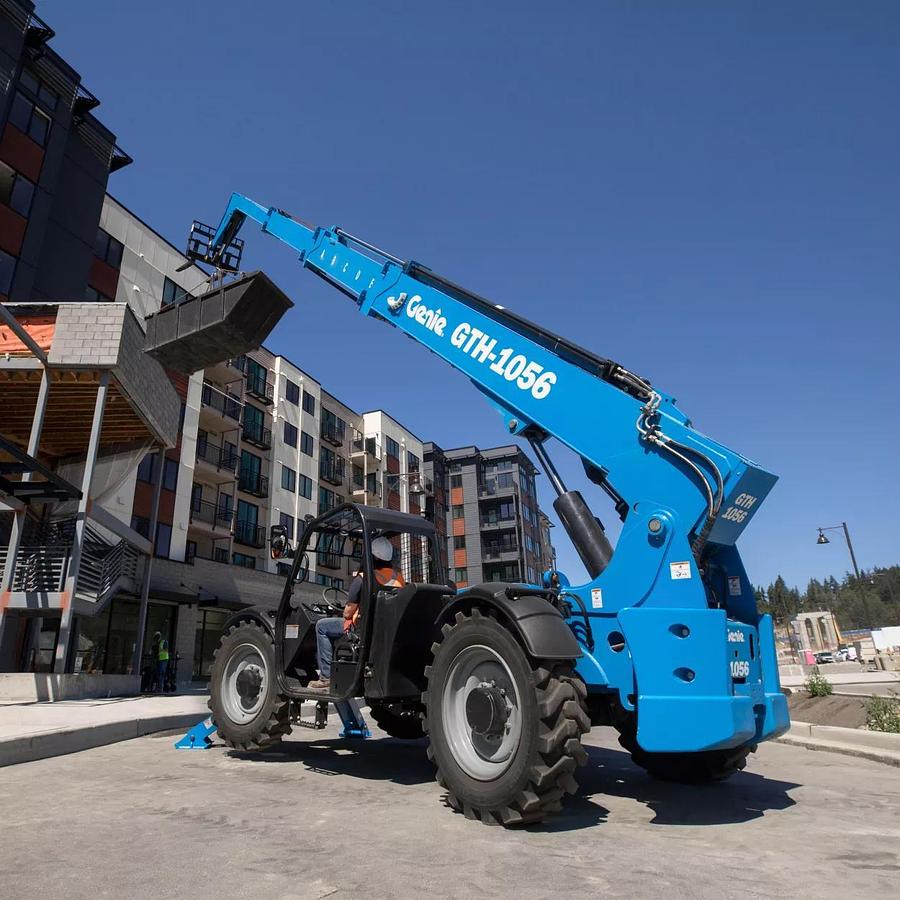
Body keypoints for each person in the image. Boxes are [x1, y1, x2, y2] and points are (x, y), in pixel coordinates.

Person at [308, 536, 404, 691]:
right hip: (384, 629)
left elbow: (347, 613)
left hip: (360, 629)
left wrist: (344, 610)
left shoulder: (363, 579)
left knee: (321, 626)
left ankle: (326, 677)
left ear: (371, 556)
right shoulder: (398, 578)